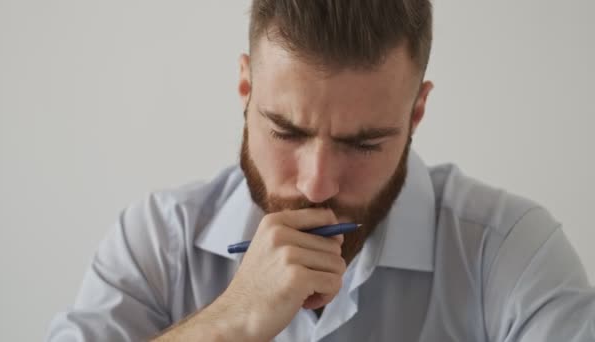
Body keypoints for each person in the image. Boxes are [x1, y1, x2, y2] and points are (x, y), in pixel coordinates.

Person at [47, 1, 595, 341]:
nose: (316, 184)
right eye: (286, 131)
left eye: (363, 144)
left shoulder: (510, 251)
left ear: (417, 113)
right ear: (245, 89)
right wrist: (230, 322)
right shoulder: (154, 240)